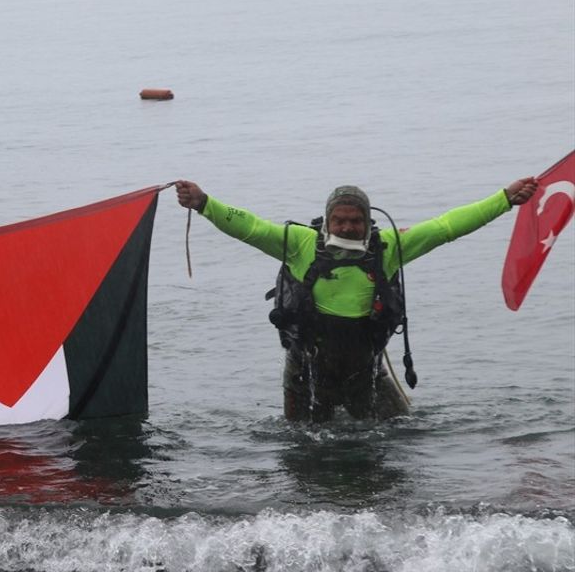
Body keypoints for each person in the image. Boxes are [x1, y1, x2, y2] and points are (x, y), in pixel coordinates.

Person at [174, 176, 538, 422]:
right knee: (300, 450)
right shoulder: (299, 244)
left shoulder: (389, 247)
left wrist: (504, 200)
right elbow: (249, 227)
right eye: (339, 220)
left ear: (367, 221)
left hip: (367, 372)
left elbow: (447, 227)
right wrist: (205, 203)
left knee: (401, 438)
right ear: (327, 222)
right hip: (306, 372)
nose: (347, 227)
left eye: (355, 221)